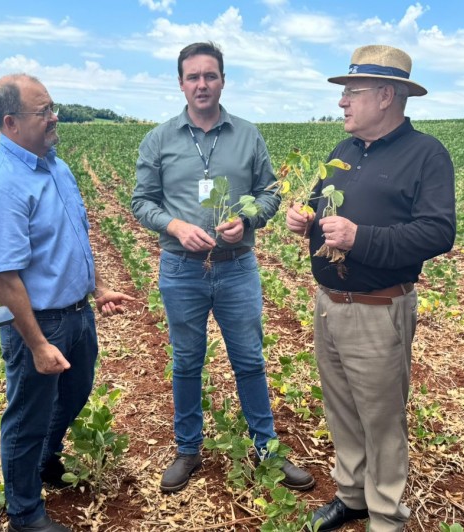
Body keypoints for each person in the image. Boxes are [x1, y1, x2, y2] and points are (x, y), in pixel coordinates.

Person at [285, 45, 456, 531]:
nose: (342, 102)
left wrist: (360, 238)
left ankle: (385, 517)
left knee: (381, 420)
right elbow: (319, 207)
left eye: (352, 92)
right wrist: (305, 218)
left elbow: (438, 233)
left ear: (385, 96)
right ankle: (353, 496)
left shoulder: (426, 154)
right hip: (329, 304)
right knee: (341, 408)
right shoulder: (342, 152)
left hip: (380, 310)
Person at [132, 41, 314, 494]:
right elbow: (141, 201)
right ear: (180, 83)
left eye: (210, 76)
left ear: (223, 81)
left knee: (249, 360)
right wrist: (175, 225)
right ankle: (188, 449)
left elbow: (270, 192)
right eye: (193, 77)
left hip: (237, 267)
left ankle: (267, 449)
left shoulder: (248, 135)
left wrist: (247, 220)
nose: (202, 84)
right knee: (186, 362)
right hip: (181, 268)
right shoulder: (159, 140)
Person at [0, 73, 133, 532]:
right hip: (39, 322)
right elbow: (4, 277)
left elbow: (73, 237)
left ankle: (44, 459)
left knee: (75, 393)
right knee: (27, 418)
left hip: (77, 313)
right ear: (10, 122)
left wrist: (98, 288)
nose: (54, 117)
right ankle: (24, 512)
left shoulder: (55, 165)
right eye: (44, 112)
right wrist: (37, 343)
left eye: (52, 107)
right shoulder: (1, 184)